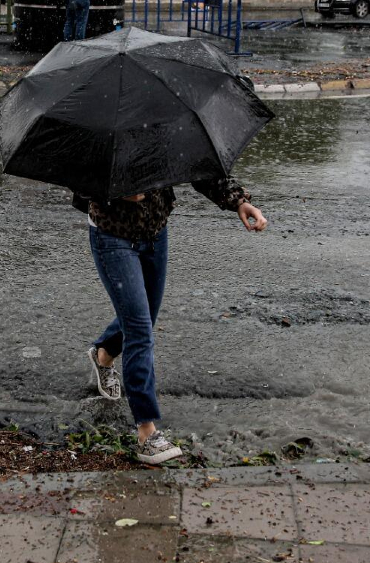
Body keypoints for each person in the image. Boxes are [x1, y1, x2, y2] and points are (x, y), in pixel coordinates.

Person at [73, 177, 268, 464]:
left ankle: (104, 354)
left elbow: (198, 165)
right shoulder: (100, 134)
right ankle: (146, 431)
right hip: (111, 236)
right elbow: (79, 178)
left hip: (155, 234)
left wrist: (239, 201)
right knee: (140, 331)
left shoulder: (159, 131)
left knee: (144, 317)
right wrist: (117, 193)